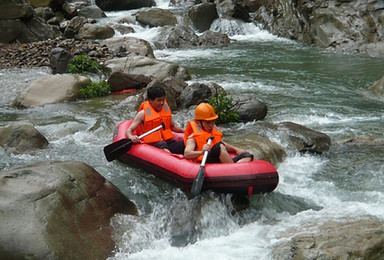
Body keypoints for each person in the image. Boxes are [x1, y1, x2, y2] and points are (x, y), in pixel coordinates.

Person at [184, 103, 253, 163]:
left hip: (218, 159)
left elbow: (221, 143)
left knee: (247, 155)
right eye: (208, 122)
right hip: (205, 160)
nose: (211, 125)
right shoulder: (192, 138)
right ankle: (233, 168)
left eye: (212, 121)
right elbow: (187, 154)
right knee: (219, 146)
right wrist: (201, 152)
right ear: (199, 123)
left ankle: (235, 168)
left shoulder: (212, 132)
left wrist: (236, 149)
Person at [126, 85, 185, 154]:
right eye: (159, 100)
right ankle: (172, 158)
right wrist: (132, 137)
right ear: (150, 101)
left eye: (163, 100)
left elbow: (173, 126)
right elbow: (129, 130)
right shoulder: (142, 114)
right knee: (162, 145)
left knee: (186, 143)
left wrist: (183, 130)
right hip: (153, 144)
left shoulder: (165, 110)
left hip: (168, 142)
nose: (162, 103)